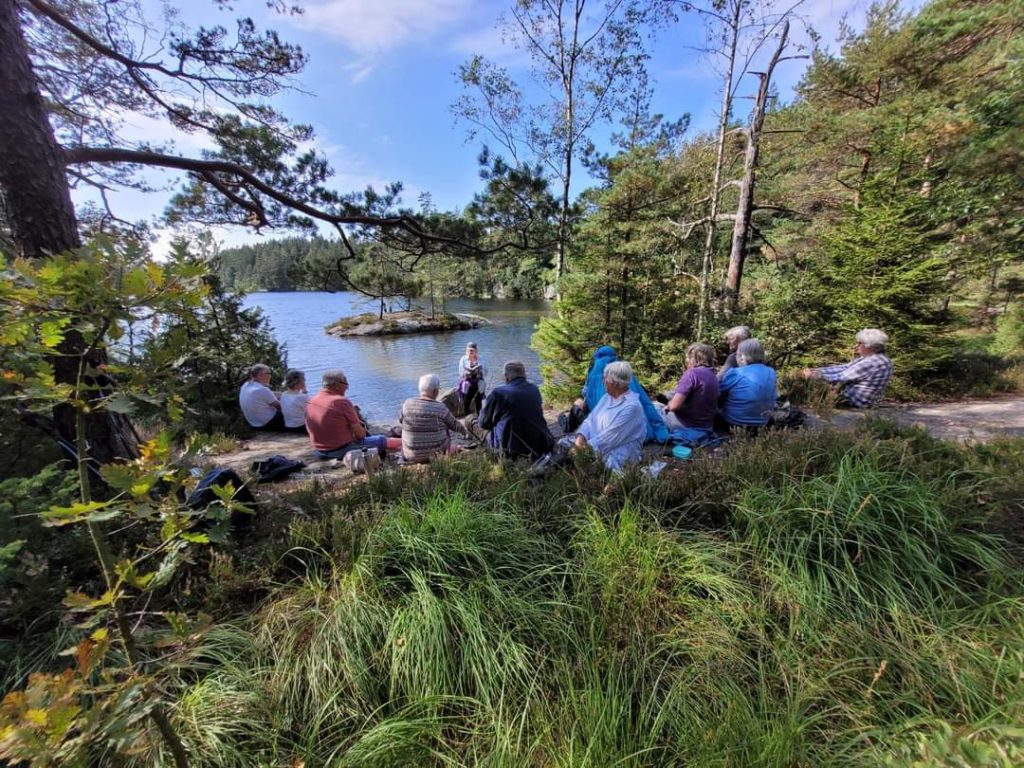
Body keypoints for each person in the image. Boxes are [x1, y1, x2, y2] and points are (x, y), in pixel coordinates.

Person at [580, 345, 668, 443]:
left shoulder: (592, 375)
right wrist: (660, 429)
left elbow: (590, 411)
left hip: (605, 434)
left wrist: (582, 440)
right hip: (640, 434)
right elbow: (646, 403)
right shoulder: (623, 373)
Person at [574, 361, 648, 473]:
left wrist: (582, 450)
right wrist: (580, 437)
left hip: (618, 458)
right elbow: (590, 420)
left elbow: (609, 438)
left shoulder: (632, 407)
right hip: (595, 448)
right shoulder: (607, 397)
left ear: (616, 384)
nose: (603, 382)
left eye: (605, 379)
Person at [305, 369, 396, 459]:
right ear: (336, 385)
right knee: (381, 440)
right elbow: (361, 435)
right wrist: (356, 417)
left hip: (319, 450)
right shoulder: (340, 401)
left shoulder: (312, 401)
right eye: (346, 384)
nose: (347, 387)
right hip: (340, 449)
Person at [475, 361, 554, 460]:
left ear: (506, 376)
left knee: (470, 421)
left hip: (509, 451)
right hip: (538, 447)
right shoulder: (534, 389)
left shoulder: (498, 393)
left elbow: (483, 424)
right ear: (524, 375)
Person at [801, 328, 893, 408]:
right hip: (851, 396)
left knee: (805, 388)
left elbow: (840, 378)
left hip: (854, 400)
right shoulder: (873, 357)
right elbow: (844, 367)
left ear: (871, 346)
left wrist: (814, 375)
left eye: (860, 343)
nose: (856, 346)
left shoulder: (873, 362)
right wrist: (815, 370)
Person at [400, 373, 469, 463]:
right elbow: (455, 426)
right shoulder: (441, 408)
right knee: (446, 427)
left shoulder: (407, 404)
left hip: (409, 456)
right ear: (435, 392)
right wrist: (465, 432)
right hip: (437, 455)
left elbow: (401, 420)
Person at [717, 339, 777, 432]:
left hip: (734, 424)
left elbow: (718, 396)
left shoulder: (735, 373)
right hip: (763, 425)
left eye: (736, 354)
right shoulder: (771, 372)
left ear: (742, 357)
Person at [664, 343, 719, 444]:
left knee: (654, 409)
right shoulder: (713, 375)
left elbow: (673, 407)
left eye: (687, 358)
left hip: (687, 425)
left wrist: (669, 404)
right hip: (707, 426)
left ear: (693, 358)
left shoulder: (691, 374)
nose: (686, 361)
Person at [239, 363, 285, 431]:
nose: (270, 376)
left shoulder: (246, 386)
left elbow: (269, 394)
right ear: (260, 375)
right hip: (268, 424)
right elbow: (280, 407)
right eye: (268, 373)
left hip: (254, 424)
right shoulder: (262, 390)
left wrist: (286, 395)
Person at [457, 341, 488, 415]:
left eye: (472, 350)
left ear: (476, 351)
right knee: (465, 386)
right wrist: (467, 373)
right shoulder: (463, 359)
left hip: (478, 379)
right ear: (466, 351)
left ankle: (479, 413)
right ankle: (466, 410)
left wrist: (480, 371)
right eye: (469, 350)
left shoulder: (481, 359)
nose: (471, 352)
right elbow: (461, 372)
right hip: (467, 379)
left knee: (482, 385)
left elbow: (486, 372)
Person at [280, 369, 310, 433]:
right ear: (297, 382)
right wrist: (305, 391)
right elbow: (310, 413)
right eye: (303, 379)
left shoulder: (284, 394)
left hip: (288, 426)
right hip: (301, 427)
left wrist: (304, 391)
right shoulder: (302, 397)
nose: (305, 381)